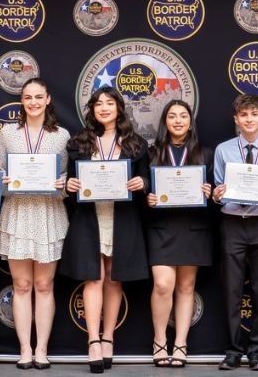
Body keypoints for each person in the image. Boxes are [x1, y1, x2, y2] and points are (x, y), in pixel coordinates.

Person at [63, 86, 150, 373]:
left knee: (114, 278)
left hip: (121, 216)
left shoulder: (136, 144)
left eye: (109, 103)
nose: (103, 108)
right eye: (98, 104)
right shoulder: (80, 142)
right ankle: (92, 342)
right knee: (93, 278)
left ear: (119, 108)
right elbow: (70, 182)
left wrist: (142, 184)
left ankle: (109, 337)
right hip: (90, 216)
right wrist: (69, 185)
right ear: (92, 110)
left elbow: (145, 179)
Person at [0, 78, 70, 370]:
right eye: (28, 97)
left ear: (48, 99)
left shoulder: (62, 136)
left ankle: (42, 349)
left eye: (39, 97)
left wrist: (62, 183)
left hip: (48, 212)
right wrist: (2, 180)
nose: (34, 102)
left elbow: (66, 179)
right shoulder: (7, 133)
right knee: (22, 284)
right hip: (17, 213)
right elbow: (0, 170)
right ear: (21, 101)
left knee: (44, 284)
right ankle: (24, 349)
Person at [211, 93, 258, 372]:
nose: (249, 119)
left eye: (254, 114)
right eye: (244, 115)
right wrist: (217, 195)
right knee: (231, 289)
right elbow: (218, 189)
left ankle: (256, 351)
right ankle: (232, 350)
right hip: (232, 223)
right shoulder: (223, 149)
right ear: (236, 119)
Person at [145, 100, 213, 368]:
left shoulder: (205, 153)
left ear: (190, 121)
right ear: (165, 122)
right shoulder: (151, 153)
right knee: (163, 285)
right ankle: (159, 340)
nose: (177, 120)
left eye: (183, 116)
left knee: (186, 287)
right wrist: (147, 198)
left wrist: (210, 192)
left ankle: (181, 343)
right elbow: (142, 190)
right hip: (161, 227)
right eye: (172, 116)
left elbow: (217, 191)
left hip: (193, 227)